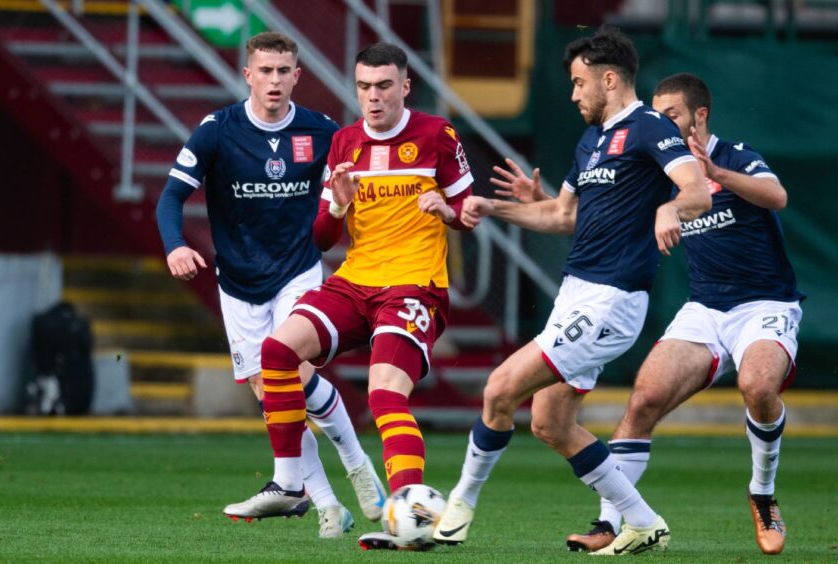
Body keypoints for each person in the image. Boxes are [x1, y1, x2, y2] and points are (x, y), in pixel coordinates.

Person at [431, 27, 712, 555]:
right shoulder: (593, 139)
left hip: (612, 300)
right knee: (550, 423)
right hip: (576, 296)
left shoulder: (651, 128)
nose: (574, 94)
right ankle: (643, 521)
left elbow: (695, 189)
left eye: (580, 83)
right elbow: (562, 215)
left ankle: (458, 509)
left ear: (610, 79)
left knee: (498, 389)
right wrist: (494, 210)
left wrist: (670, 208)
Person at [155, 31, 386, 539]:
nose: (275, 80)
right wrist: (175, 244)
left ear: (297, 75)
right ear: (248, 75)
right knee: (272, 394)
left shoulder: (322, 131)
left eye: (284, 71)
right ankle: (327, 504)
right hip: (237, 282)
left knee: (293, 370)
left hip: (296, 272)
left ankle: (357, 464)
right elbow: (170, 197)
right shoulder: (217, 131)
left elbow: (364, 184)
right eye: (266, 71)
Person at [565, 73, 804, 555]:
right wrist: (555, 209)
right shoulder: (663, 168)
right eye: (658, 115)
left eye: (671, 115)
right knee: (644, 400)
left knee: (758, 388)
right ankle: (615, 523)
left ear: (700, 115)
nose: (662, 123)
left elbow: (777, 197)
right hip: (704, 309)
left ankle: (761, 491)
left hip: (765, 304)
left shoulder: (736, 154)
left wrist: (716, 172)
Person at [252, 41, 475, 551]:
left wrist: (447, 211)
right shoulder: (345, 142)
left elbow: (468, 212)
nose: (372, 97)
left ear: (404, 86)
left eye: (383, 86)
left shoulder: (437, 135)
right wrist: (336, 208)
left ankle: (410, 522)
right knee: (277, 351)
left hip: (414, 283)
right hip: (355, 281)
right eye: (363, 87)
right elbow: (322, 238)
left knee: (383, 395)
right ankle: (289, 483)